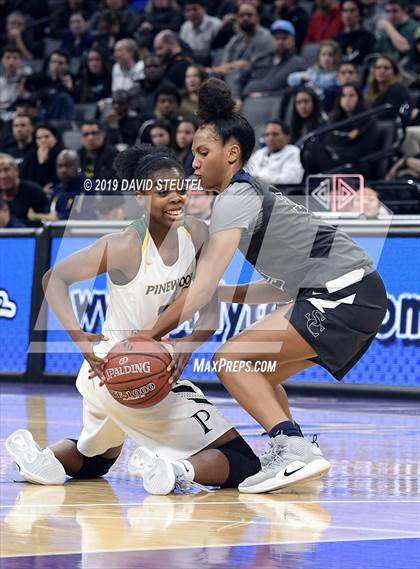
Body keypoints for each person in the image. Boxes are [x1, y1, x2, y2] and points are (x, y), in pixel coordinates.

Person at [131, 78, 387, 494]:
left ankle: (293, 450)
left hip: (344, 291)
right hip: (349, 293)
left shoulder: (235, 197)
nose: (193, 163)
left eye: (202, 153)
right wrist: (221, 296)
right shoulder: (241, 198)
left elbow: (199, 287)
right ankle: (294, 448)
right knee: (260, 372)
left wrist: (147, 336)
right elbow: (273, 286)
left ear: (231, 154)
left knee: (233, 361)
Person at [5, 144, 261, 495]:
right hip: (128, 366)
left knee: (95, 460)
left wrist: (191, 341)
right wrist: (79, 338)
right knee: (243, 461)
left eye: (180, 188)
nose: (175, 198)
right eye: (162, 191)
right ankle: (175, 469)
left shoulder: (197, 233)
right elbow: (54, 278)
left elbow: (209, 303)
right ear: (141, 197)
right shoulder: (126, 244)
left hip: (110, 374)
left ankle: (41, 459)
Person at [240, 20, 306, 100]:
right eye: (277, 38)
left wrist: (267, 95)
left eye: (284, 38)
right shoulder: (261, 59)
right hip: (246, 101)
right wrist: (237, 97)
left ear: (293, 40)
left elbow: (299, 90)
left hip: (272, 105)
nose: (280, 42)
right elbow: (242, 79)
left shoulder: (298, 63)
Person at [246, 120, 304, 184]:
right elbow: (247, 173)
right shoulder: (259, 153)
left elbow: (291, 179)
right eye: (267, 135)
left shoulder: (294, 153)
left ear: (287, 137)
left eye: (275, 134)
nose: (270, 138)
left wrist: (260, 180)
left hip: (280, 192)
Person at [0, 153, 48, 224]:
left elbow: (49, 219)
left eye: (6, 170)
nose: (3, 176)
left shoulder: (34, 192)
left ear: (16, 171)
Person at [21, 124, 63, 194]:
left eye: (47, 137)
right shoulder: (30, 156)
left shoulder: (63, 154)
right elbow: (25, 179)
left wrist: (44, 163)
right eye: (39, 138)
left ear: (55, 137)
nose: (43, 140)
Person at [334, 0, 375, 64]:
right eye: (345, 11)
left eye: (352, 11)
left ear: (360, 14)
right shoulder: (335, 39)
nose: (348, 15)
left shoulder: (369, 38)